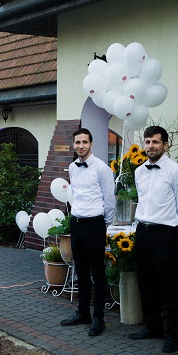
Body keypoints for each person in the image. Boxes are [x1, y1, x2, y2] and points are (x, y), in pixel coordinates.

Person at [128, 125, 178, 353]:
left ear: (165, 145)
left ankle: (174, 335)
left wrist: (177, 235)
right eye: (147, 142)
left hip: (166, 233)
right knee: (146, 284)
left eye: (155, 142)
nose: (150, 146)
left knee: (170, 288)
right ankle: (153, 327)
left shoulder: (176, 171)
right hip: (143, 232)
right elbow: (144, 202)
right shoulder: (139, 172)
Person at [60, 128, 115, 336]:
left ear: (91, 144)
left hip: (95, 224)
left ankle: (98, 318)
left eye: (84, 142)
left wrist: (103, 224)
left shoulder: (102, 168)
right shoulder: (72, 167)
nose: (80, 145)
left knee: (97, 274)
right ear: (74, 145)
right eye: (77, 142)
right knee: (80, 271)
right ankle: (83, 313)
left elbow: (110, 200)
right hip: (76, 223)